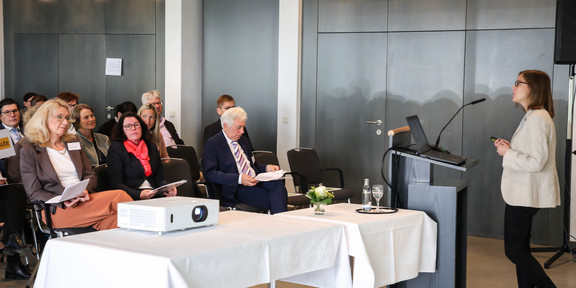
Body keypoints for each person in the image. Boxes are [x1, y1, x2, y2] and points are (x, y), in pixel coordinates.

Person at [20, 99, 133, 231]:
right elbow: (34, 192)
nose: (65, 122)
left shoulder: (73, 141)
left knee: (117, 221)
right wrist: (63, 198)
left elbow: (89, 174)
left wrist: (84, 190)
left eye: (67, 118)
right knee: (119, 196)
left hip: (84, 199)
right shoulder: (30, 150)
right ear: (44, 119)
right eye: (59, 117)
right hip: (57, 209)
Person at [494, 70, 560, 288]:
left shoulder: (537, 119)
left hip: (525, 195)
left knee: (514, 251)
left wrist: (508, 154)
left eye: (518, 83)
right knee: (521, 250)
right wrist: (512, 148)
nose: (513, 87)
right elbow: (532, 153)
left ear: (533, 88)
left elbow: (535, 162)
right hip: (523, 193)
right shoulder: (532, 116)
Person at [202, 107, 287, 214]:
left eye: (243, 127)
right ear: (225, 125)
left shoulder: (243, 141)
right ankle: (282, 222)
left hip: (255, 180)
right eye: (239, 127)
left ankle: (280, 220)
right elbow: (210, 173)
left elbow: (252, 166)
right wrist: (239, 178)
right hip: (236, 188)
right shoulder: (213, 144)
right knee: (272, 198)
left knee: (278, 185)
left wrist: (265, 168)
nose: (242, 131)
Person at [107, 112, 177, 200]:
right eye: (128, 126)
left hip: (153, 194)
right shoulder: (117, 148)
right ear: (122, 131)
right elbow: (116, 184)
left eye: (136, 125)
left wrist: (168, 188)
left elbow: (159, 179)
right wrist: (138, 194)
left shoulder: (151, 146)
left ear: (141, 127)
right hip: (130, 197)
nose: (133, 128)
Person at [0, 98, 30, 279]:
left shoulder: (28, 132)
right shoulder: (1, 135)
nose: (12, 115)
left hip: (25, 184)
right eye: (7, 112)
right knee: (17, 195)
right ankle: (14, 258)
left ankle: (12, 243)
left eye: (15, 111)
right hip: (8, 185)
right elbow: (4, 164)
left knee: (17, 201)